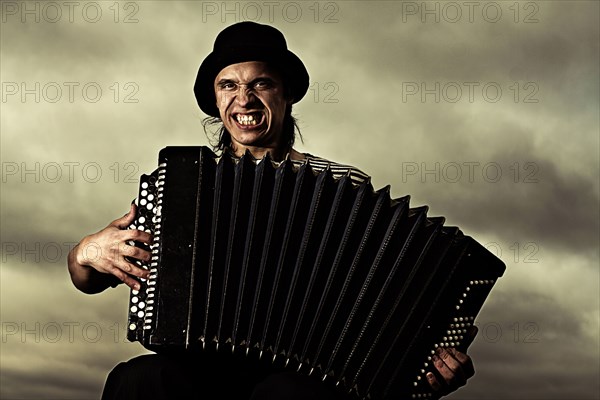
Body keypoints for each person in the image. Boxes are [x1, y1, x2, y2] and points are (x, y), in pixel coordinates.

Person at [67, 21, 476, 399]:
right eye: (228, 85)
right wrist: (86, 252)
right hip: (198, 364)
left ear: (287, 93)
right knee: (142, 380)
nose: (243, 99)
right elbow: (91, 279)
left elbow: (389, 295)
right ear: (215, 99)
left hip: (304, 375)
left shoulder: (340, 185)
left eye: (260, 83)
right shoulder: (181, 185)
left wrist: (426, 363)